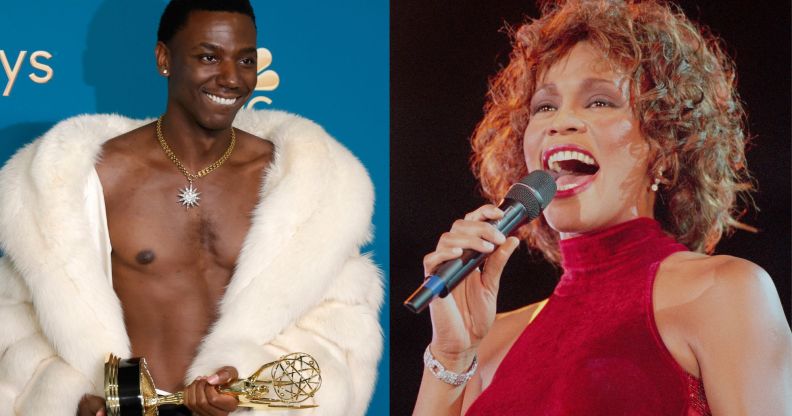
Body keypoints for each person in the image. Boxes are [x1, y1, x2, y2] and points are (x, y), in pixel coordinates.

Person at [0, 1, 383, 415]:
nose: (231, 77)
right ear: (164, 59)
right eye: (208, 57)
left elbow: (331, 327)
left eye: (246, 60)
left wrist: (249, 387)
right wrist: (78, 399)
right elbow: (29, 321)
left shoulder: (303, 187)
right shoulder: (94, 177)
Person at [413, 0, 792, 414]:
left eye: (599, 101)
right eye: (545, 106)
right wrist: (450, 357)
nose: (562, 121)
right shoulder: (489, 342)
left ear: (665, 147)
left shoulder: (726, 293)